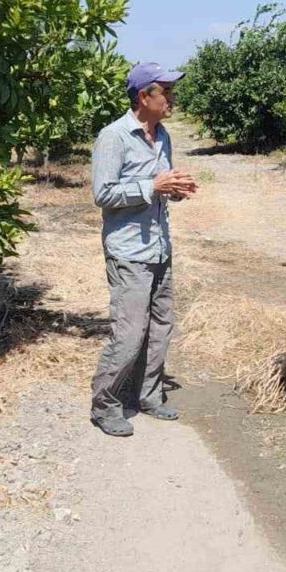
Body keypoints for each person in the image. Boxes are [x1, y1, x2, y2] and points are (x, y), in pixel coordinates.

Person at [89, 62, 198, 437]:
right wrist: (151, 187)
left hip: (160, 247)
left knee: (161, 327)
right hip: (129, 251)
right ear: (143, 96)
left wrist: (175, 190)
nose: (172, 98)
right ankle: (105, 404)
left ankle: (147, 395)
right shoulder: (114, 137)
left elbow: (161, 188)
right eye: (165, 91)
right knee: (130, 332)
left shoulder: (163, 135)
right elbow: (103, 193)